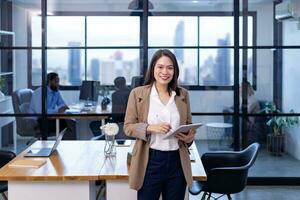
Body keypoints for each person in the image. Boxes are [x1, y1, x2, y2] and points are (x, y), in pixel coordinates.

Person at [124, 49, 195, 200]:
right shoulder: (138, 94)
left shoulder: (183, 95)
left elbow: (189, 125)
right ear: (153, 69)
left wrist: (189, 138)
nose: (165, 71)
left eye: (170, 67)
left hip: (177, 162)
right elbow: (128, 127)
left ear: (175, 71)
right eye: (160, 67)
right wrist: (150, 128)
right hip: (150, 161)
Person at [29, 72, 76, 140]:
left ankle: (67, 144)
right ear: (49, 82)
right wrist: (57, 110)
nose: (58, 84)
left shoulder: (56, 91)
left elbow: (62, 103)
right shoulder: (39, 93)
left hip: (51, 118)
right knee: (67, 124)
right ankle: (66, 143)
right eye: (56, 81)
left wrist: (64, 107)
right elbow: (40, 112)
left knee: (71, 122)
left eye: (58, 81)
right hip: (40, 120)